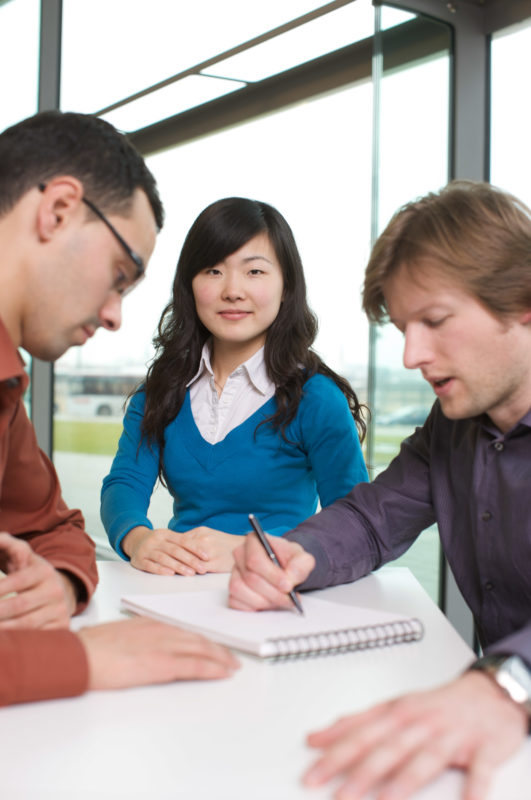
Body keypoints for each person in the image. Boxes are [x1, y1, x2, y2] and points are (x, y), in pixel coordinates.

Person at [228, 180, 531, 799]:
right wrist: (298, 552)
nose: (412, 355)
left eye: (436, 321)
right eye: (402, 327)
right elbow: (372, 518)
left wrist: (506, 684)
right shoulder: (452, 428)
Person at [0, 110, 238, 707]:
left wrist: (55, 584)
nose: (113, 315)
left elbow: (55, 528)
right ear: (57, 210)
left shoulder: (7, 387)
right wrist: (80, 659)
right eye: (118, 275)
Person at [101, 196, 369, 576]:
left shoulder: (316, 398)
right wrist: (138, 538)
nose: (232, 291)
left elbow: (355, 527)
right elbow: (125, 482)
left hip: (278, 595)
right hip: (175, 590)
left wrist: (251, 549)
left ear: (286, 286)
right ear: (189, 285)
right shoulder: (160, 392)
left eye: (254, 272)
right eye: (212, 271)